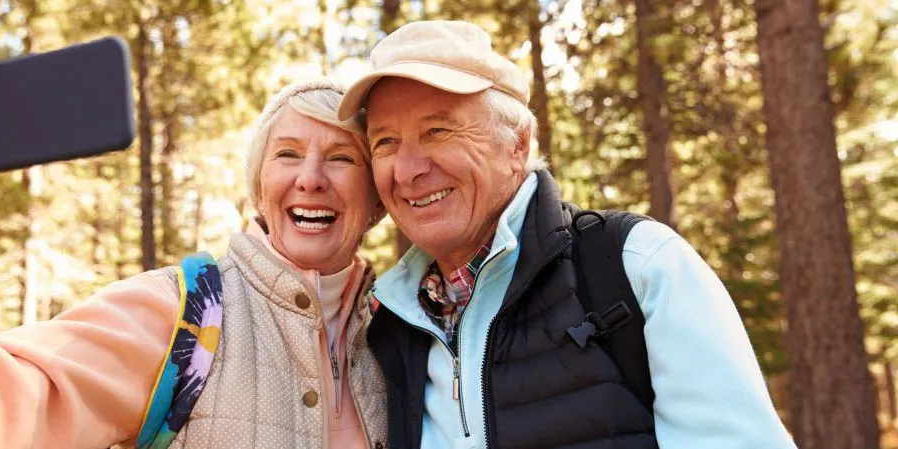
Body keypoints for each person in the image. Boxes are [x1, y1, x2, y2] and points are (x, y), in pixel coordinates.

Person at [0, 44, 388, 449]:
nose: (311, 178)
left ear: (377, 200)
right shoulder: (186, 312)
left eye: (341, 158)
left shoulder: (404, 337)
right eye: (287, 154)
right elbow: (1, 416)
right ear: (258, 189)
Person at [336, 20, 797, 448]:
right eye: (385, 142)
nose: (409, 169)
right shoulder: (388, 326)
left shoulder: (639, 266)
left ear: (517, 144)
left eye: (437, 130)